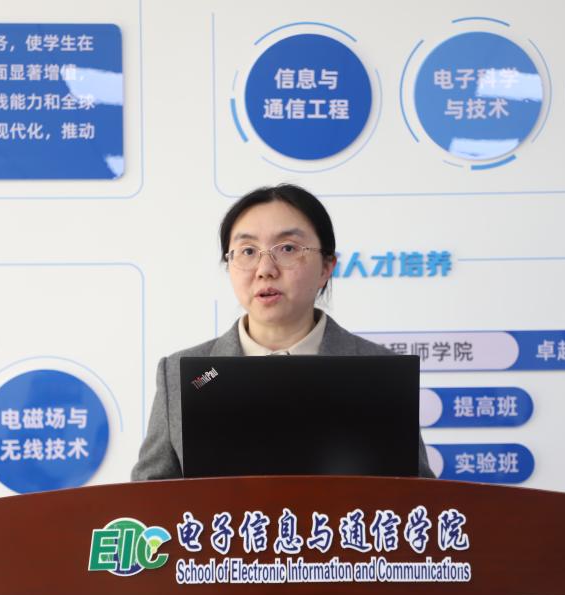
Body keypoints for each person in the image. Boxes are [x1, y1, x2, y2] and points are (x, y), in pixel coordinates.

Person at [131, 184, 435, 480]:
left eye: (288, 248)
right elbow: (146, 497)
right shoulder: (183, 375)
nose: (265, 269)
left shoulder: (381, 373)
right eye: (247, 251)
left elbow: (420, 499)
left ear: (326, 267)